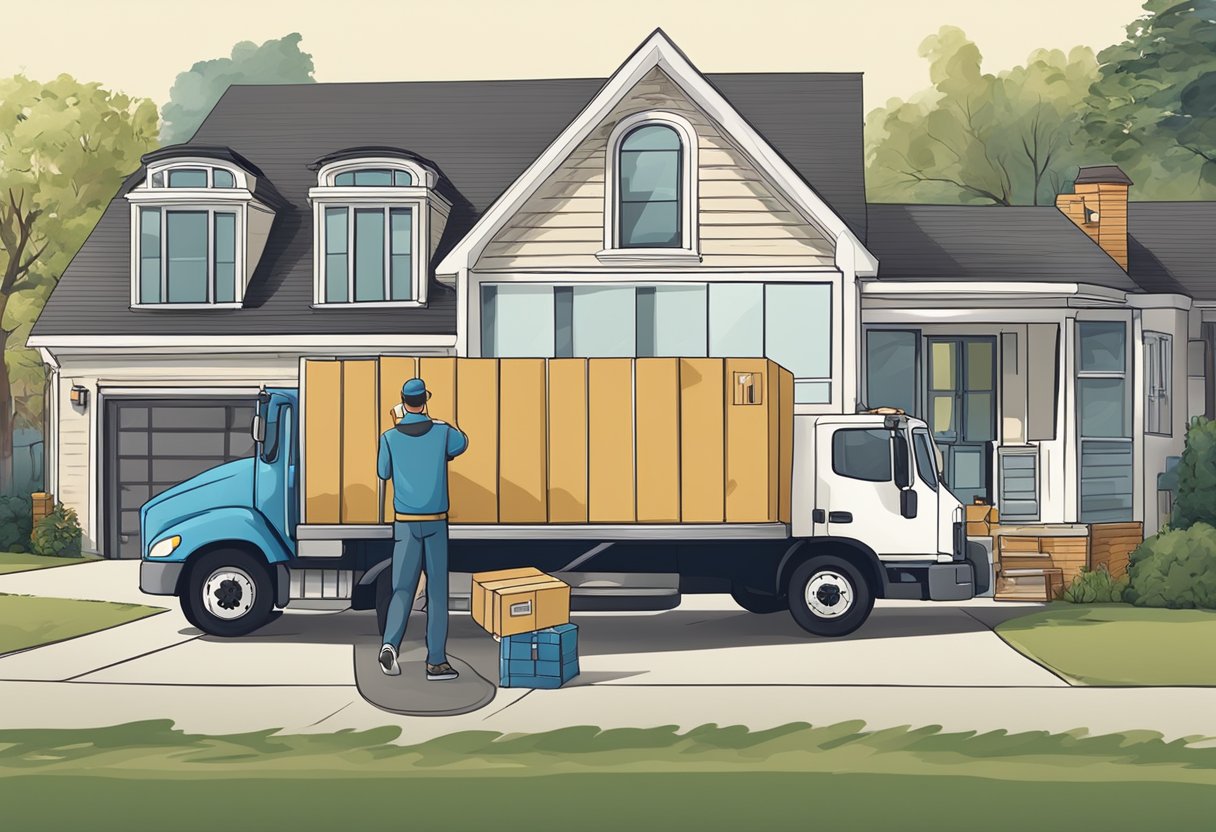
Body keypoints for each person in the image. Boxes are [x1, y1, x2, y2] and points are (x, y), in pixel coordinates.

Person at [376, 377, 468, 680]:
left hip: (405, 524)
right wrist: (441, 421)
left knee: (402, 590)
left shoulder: (389, 437)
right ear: (424, 401)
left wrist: (397, 425)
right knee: (437, 594)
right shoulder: (441, 432)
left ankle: (390, 645)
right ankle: (436, 662)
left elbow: (383, 471)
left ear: (403, 404)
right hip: (435, 524)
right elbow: (463, 442)